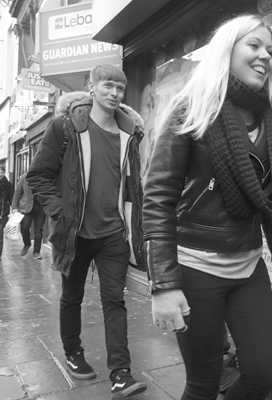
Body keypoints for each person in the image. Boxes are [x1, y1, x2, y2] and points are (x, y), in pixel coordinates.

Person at [143, 14, 272, 400]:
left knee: (262, 376)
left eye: (270, 49)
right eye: (255, 46)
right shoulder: (192, 108)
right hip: (195, 269)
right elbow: (158, 197)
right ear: (227, 50)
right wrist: (164, 285)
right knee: (203, 385)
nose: (265, 56)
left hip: (248, 268)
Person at [26, 64, 147, 399]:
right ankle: (73, 352)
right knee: (72, 296)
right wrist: (58, 211)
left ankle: (121, 373)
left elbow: (133, 185)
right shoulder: (66, 127)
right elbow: (38, 175)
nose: (114, 94)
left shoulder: (129, 135)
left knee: (115, 301)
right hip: (74, 231)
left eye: (120, 89)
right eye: (108, 86)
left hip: (113, 234)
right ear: (91, 87)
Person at [12, 173, 46, 259]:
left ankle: (36, 252)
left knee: (38, 230)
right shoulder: (24, 177)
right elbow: (18, 192)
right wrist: (15, 207)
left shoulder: (45, 177)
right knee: (24, 228)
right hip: (26, 208)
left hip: (41, 208)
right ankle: (27, 244)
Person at [0, 168, 14, 259]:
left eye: (2, 172)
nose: (0, 174)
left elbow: (12, 198)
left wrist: (14, 209)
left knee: (0, 233)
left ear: (4, 173)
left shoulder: (9, 185)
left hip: (3, 212)